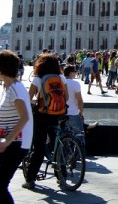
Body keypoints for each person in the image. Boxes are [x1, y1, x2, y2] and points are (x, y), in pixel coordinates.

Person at [23, 53, 69, 190]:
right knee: (57, 145)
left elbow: (28, 98)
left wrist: (35, 103)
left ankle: (30, 179)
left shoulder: (38, 79)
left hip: (42, 115)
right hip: (58, 114)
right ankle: (62, 177)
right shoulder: (60, 77)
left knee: (39, 147)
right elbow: (66, 97)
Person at [0, 50, 32, 203]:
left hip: (16, 143)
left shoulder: (14, 89)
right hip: (11, 142)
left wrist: (7, 141)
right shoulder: (9, 87)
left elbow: (24, 117)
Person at [62, 66, 84, 137]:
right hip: (73, 113)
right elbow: (79, 100)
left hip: (61, 113)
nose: (75, 73)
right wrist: (80, 112)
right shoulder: (75, 83)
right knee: (79, 135)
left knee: (62, 136)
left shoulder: (60, 82)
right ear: (70, 73)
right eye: (75, 71)